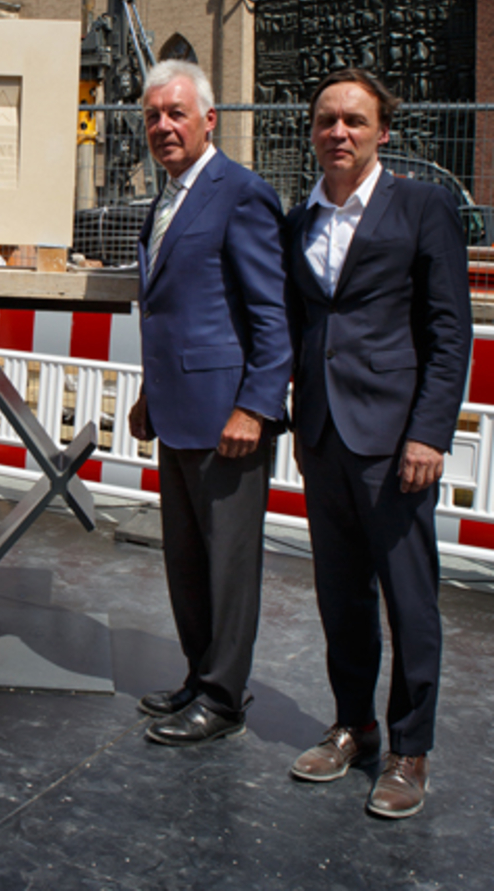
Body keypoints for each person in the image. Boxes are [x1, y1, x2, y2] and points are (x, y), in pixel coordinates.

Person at [286, 68, 471, 818]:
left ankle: (410, 750)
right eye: (326, 120)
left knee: (410, 600)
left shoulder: (422, 206)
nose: (339, 132)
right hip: (324, 434)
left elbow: (449, 330)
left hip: (396, 443)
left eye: (355, 120)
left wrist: (429, 431)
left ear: (382, 131)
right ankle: (354, 726)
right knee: (341, 597)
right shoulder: (300, 219)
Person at [128, 61, 291, 745]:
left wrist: (254, 407)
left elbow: (271, 315)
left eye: (176, 113)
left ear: (208, 120)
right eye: (153, 116)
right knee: (188, 561)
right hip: (177, 411)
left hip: (228, 419)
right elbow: (174, 308)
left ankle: (223, 699)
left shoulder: (241, 193)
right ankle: (200, 677)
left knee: (228, 565)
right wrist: (148, 392)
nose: (163, 126)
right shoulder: (166, 199)